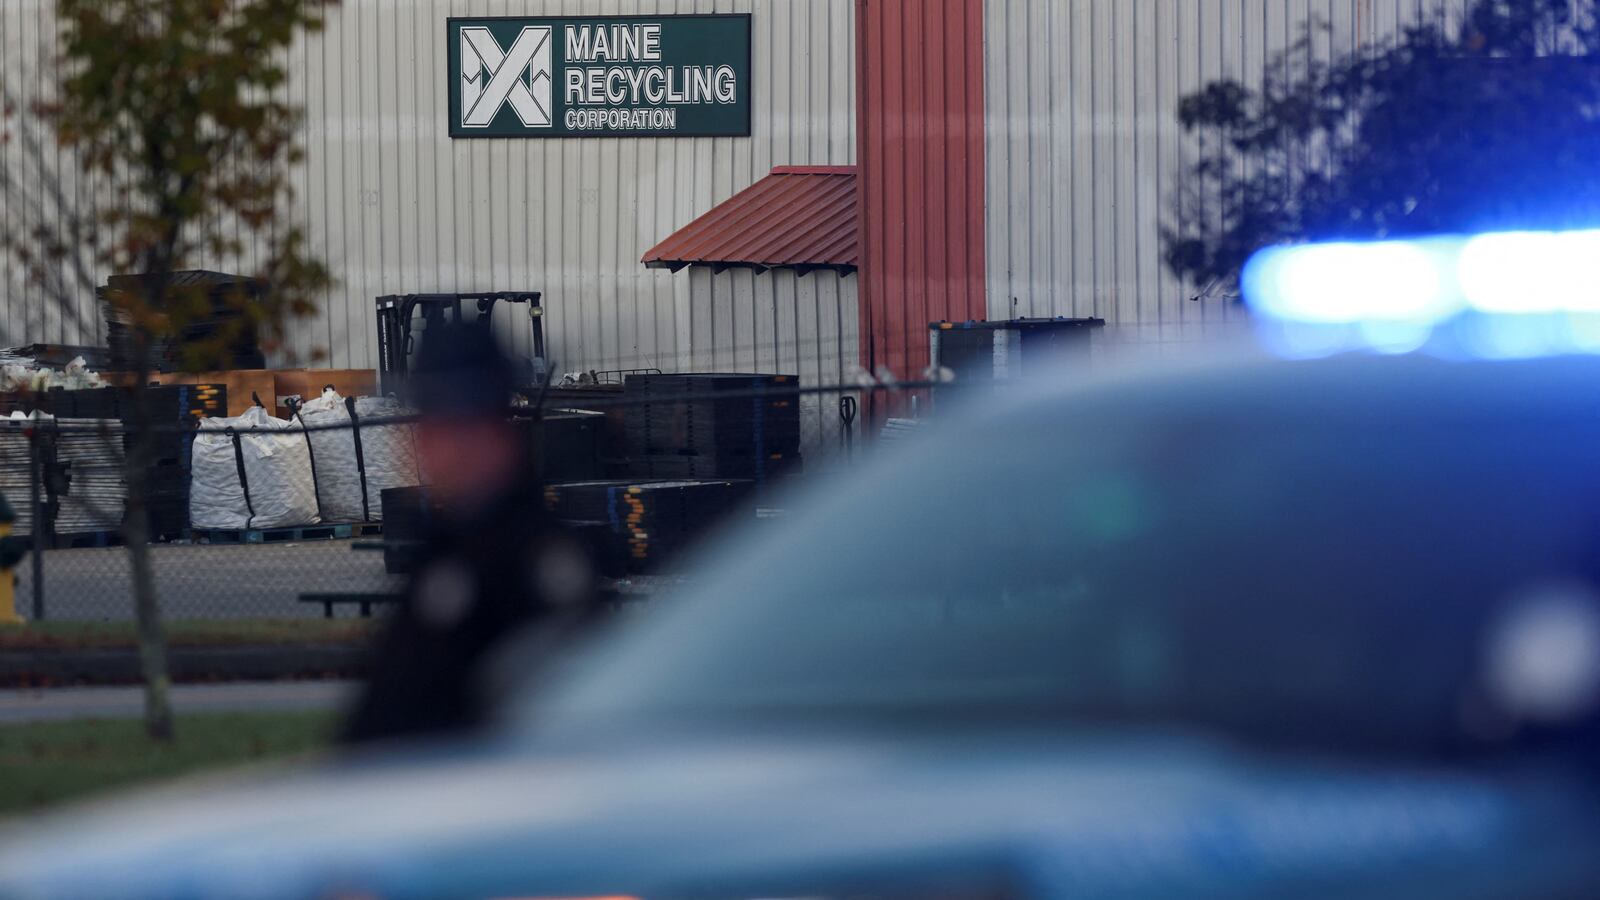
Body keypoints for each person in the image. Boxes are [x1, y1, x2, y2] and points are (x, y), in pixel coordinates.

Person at [341, 322, 597, 746]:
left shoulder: (533, 562)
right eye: (428, 425)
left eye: (454, 425)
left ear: (497, 428)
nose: (433, 446)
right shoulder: (445, 547)